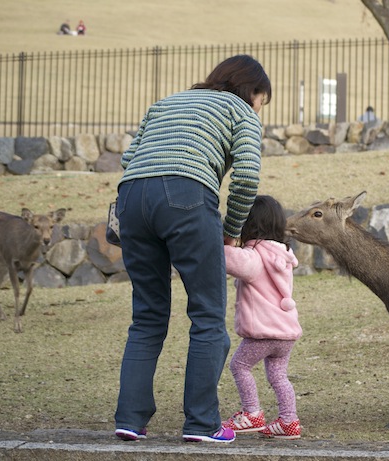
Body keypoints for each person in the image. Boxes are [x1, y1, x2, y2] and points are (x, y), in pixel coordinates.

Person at [113, 54, 271, 444]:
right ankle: (202, 423)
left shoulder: (166, 102)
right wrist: (231, 231)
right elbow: (248, 176)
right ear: (252, 92)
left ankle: (129, 420)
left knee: (147, 317)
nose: (259, 110)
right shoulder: (241, 110)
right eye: (261, 102)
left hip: (131, 198)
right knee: (207, 315)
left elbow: (128, 158)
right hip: (186, 194)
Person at [221, 195, 303, 439]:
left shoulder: (255, 255)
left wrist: (226, 240)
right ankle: (289, 421)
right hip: (285, 333)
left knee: (239, 366)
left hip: (264, 333)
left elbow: (229, 259)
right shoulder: (283, 254)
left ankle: (252, 413)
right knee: (278, 376)